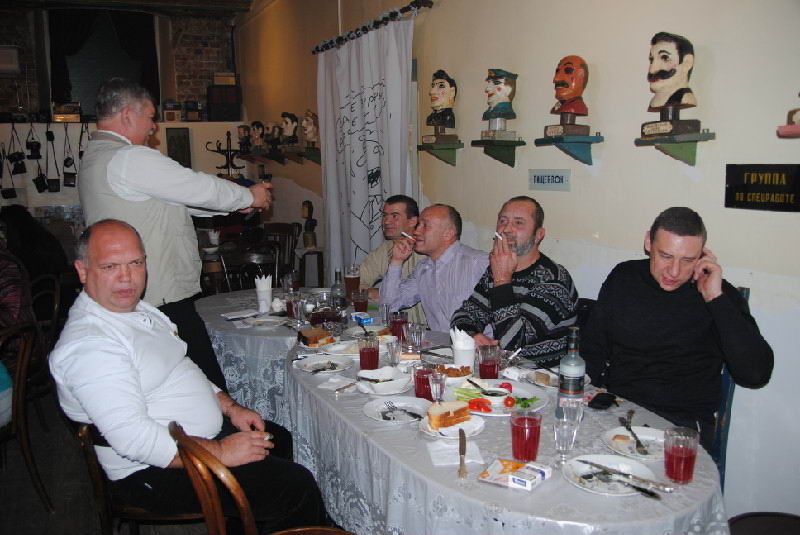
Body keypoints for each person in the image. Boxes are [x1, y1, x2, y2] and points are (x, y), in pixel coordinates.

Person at [49, 220, 327, 531]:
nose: (126, 277)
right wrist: (221, 452)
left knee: (278, 440)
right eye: (110, 266)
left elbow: (180, 366)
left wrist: (229, 407)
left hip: (191, 440)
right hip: (150, 470)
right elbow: (135, 440)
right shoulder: (90, 346)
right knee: (294, 486)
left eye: (135, 263)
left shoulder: (136, 310)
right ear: (83, 270)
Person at [78, 77, 273, 391]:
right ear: (127, 115)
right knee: (206, 388)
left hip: (133, 296)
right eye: (149, 116)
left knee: (165, 386)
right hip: (158, 299)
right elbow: (194, 185)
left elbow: (178, 199)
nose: (153, 126)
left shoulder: (97, 156)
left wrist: (238, 205)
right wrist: (250, 196)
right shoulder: (128, 158)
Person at [581, 207, 773, 451]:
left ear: (703, 256)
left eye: (688, 260)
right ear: (648, 242)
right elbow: (592, 348)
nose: (674, 271)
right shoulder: (624, 277)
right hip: (619, 411)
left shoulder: (717, 295)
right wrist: (582, 395)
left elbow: (755, 375)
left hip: (681, 425)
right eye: (666, 256)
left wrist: (715, 298)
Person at [451, 196, 578, 364]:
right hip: (506, 370)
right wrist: (472, 336)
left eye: (518, 223)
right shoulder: (495, 271)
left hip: (544, 374)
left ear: (538, 235)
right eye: (502, 221)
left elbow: (514, 343)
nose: (506, 229)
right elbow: (463, 315)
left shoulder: (553, 280)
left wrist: (502, 280)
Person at [380, 204, 487, 333]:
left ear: (448, 234)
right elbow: (389, 306)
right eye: (418, 225)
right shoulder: (423, 268)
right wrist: (396, 261)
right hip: (438, 344)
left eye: (425, 226)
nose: (416, 232)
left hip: (473, 344)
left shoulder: (477, 263)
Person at [358, 195, 426, 325]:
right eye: (385, 216)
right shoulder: (384, 250)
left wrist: (383, 294)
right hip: (389, 327)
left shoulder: (427, 250)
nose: (386, 221)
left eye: (395, 216)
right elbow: (357, 282)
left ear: (412, 221)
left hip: (425, 329)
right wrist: (375, 292)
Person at [647, 31, 697, 111]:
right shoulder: (655, 101)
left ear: (687, 63)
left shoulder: (684, 98)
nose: (652, 70)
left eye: (665, 58)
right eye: (651, 60)